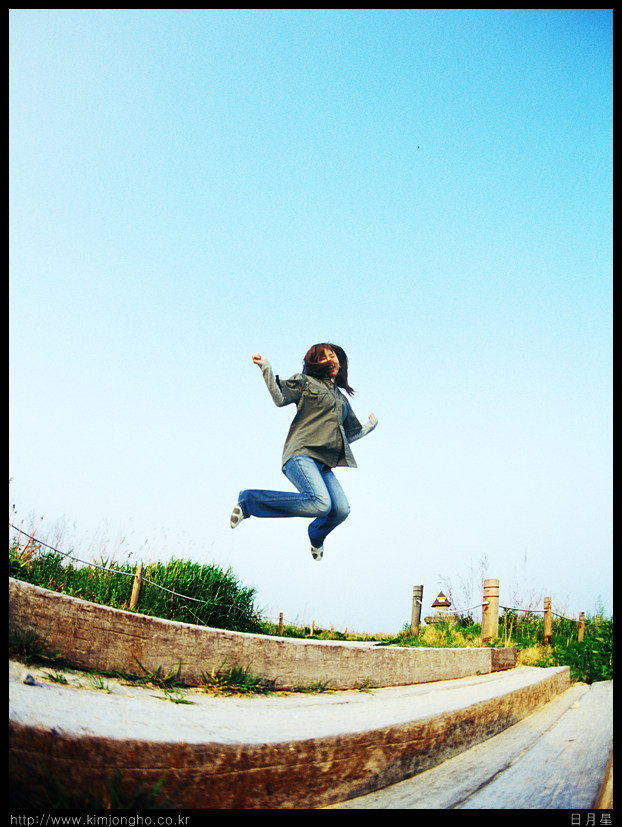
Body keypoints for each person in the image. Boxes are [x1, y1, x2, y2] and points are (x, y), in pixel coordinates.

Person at [230, 343, 378, 561]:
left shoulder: (342, 400)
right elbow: (280, 398)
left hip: (323, 464)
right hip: (301, 454)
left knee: (341, 510)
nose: (331, 360)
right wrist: (266, 368)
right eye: (324, 357)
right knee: (321, 503)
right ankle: (249, 501)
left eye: (333, 356)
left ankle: (316, 536)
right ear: (316, 362)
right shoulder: (306, 382)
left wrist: (369, 427)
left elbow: (346, 437)